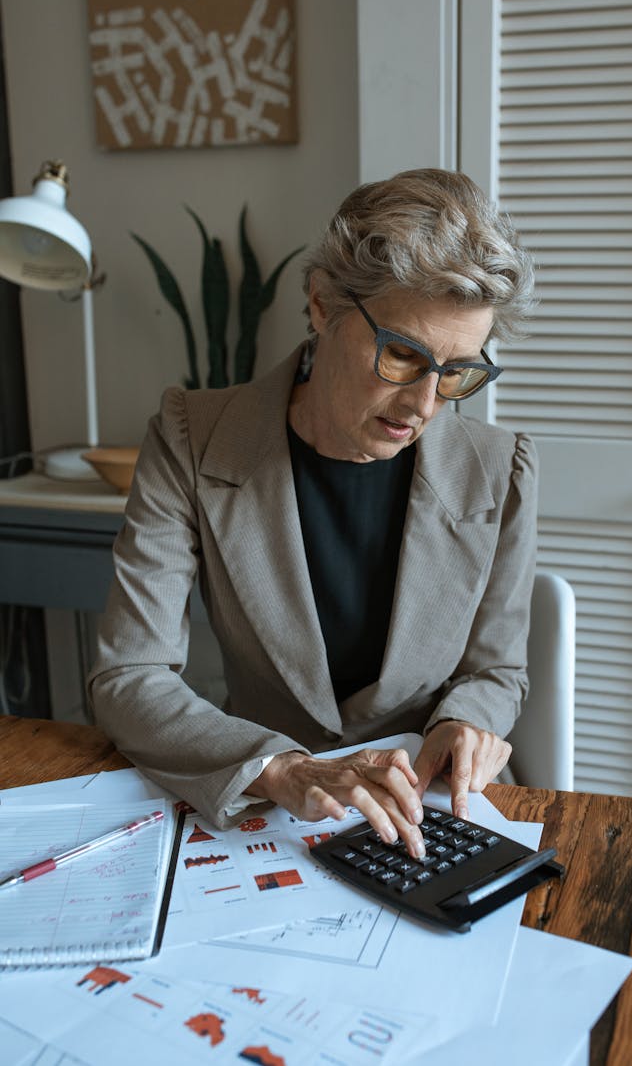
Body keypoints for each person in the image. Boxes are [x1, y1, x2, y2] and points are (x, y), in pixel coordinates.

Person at [88, 168, 537, 862]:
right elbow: (129, 674)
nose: (423, 405)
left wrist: (467, 722)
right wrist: (283, 768)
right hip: (266, 803)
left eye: (456, 372)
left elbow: (496, 671)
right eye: (401, 355)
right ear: (323, 303)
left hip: (434, 810)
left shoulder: (501, 469)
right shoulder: (190, 436)